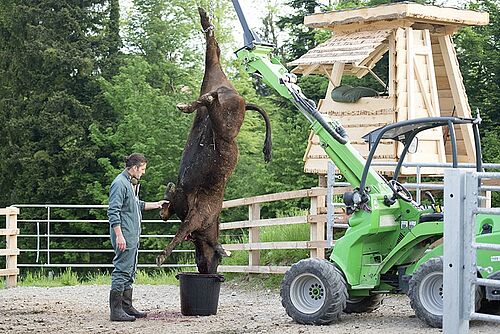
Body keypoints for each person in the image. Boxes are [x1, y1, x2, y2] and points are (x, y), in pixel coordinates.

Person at [107, 153, 167, 322]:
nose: (143, 172)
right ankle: (116, 310)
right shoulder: (119, 184)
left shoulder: (129, 184)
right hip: (124, 234)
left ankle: (126, 306)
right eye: (142, 169)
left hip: (131, 234)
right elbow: (113, 211)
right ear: (134, 168)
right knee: (122, 269)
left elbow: (136, 205)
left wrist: (156, 204)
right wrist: (119, 235)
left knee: (130, 269)